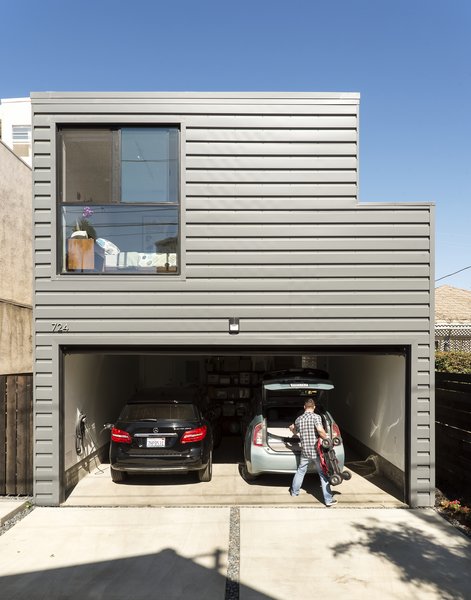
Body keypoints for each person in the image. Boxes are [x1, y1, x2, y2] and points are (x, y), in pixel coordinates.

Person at [289, 397, 337, 506]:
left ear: (304, 407)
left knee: (301, 471)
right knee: (323, 474)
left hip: (305, 451)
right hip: (316, 451)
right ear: (314, 407)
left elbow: (295, 431)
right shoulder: (316, 417)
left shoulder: (298, 419)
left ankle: (294, 492)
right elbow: (320, 430)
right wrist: (328, 439)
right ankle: (328, 500)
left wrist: (292, 428)